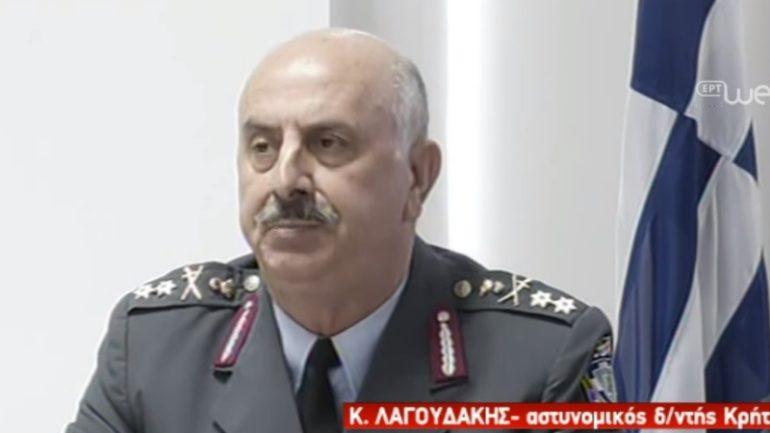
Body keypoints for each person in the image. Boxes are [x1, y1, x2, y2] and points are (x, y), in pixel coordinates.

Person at [66, 28, 615, 433]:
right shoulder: (155, 351)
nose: (286, 180)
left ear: (417, 177)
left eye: (328, 144)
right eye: (263, 147)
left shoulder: (543, 361)